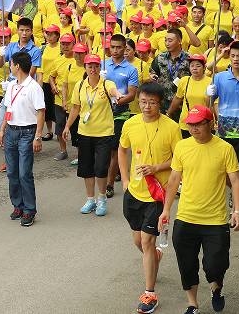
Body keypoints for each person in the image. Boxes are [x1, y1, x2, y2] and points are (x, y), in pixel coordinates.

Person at [159, 105, 239, 314]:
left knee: (215, 265)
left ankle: (216, 287)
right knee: (187, 265)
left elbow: (236, 181)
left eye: (198, 124)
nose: (193, 129)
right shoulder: (182, 147)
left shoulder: (225, 149)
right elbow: (173, 180)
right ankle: (192, 304)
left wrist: (237, 211)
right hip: (186, 217)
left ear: (211, 124)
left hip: (215, 220)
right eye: (190, 124)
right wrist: (166, 210)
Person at [119, 82, 182, 314]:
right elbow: (122, 149)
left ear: (160, 103)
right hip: (134, 192)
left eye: (152, 103)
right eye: (143, 102)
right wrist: (125, 180)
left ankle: (149, 294)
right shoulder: (130, 123)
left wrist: (157, 167)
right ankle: (154, 258)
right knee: (139, 242)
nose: (147, 107)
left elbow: (179, 160)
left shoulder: (171, 127)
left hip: (158, 194)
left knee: (147, 241)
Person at [62, 54, 119, 216]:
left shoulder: (107, 83)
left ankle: (102, 198)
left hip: (104, 133)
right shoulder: (80, 86)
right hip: (85, 133)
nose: (93, 69)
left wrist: (117, 94)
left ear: (100, 67)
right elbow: (75, 108)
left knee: (101, 168)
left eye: (96, 66)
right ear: (85, 68)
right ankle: (90, 199)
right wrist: (67, 126)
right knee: (86, 168)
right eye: (90, 66)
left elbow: (113, 90)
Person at [0, 51, 46, 226]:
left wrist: (38, 136)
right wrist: (2, 130)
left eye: (11, 63)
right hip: (11, 130)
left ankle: (29, 210)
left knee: (25, 173)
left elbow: (41, 112)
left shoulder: (34, 87)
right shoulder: (11, 86)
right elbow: (8, 109)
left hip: (27, 132)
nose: (9, 66)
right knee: (12, 172)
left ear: (17, 66)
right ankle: (18, 205)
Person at [103, 33, 139, 198]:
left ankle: (109, 184)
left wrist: (118, 101)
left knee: (114, 150)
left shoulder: (131, 70)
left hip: (120, 113)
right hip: (101, 113)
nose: (115, 50)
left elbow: (132, 94)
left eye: (119, 47)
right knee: (102, 149)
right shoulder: (103, 65)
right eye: (113, 47)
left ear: (125, 49)